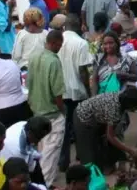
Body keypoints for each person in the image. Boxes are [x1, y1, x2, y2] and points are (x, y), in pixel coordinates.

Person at [74, 86, 137, 172]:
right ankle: (88, 180)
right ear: (129, 103)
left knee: (99, 146)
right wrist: (129, 150)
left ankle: (105, 167)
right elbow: (110, 136)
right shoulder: (114, 109)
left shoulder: (121, 97)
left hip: (96, 118)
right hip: (82, 117)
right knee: (88, 155)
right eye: (136, 106)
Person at [57, 12, 93, 171]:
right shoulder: (81, 43)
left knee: (63, 129)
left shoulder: (55, 41)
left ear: (64, 26)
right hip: (77, 92)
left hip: (60, 92)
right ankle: (81, 159)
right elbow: (83, 70)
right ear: (78, 27)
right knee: (80, 128)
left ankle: (63, 162)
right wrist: (88, 90)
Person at [28, 32, 66, 185]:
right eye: (60, 44)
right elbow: (57, 93)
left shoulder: (34, 57)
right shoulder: (53, 61)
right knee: (51, 152)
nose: (60, 47)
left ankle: (41, 180)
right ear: (55, 43)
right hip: (52, 113)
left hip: (36, 111)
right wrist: (62, 110)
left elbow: (28, 83)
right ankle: (45, 184)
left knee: (41, 149)